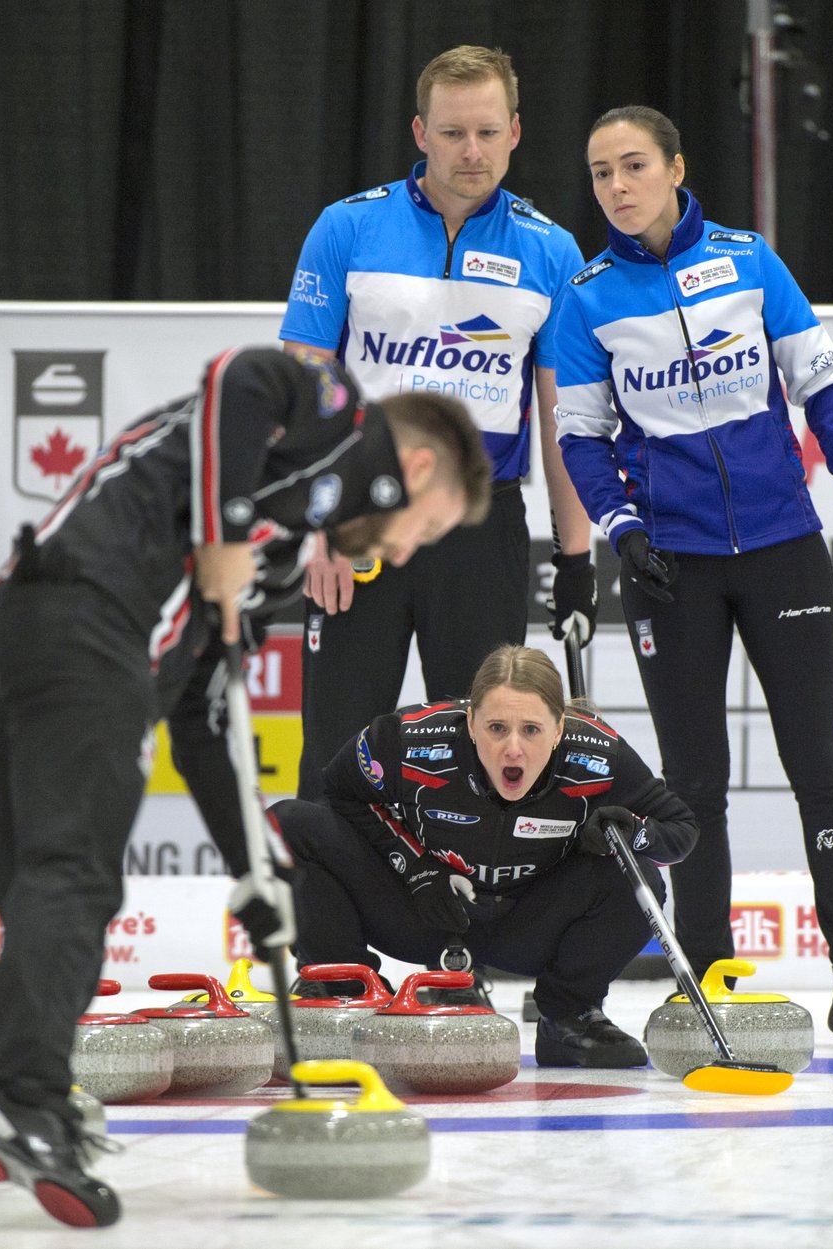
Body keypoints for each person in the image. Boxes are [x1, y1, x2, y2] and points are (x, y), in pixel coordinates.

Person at [0, 347, 492, 1228]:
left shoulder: (274, 567)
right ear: (417, 469)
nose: (403, 551)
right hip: (83, 626)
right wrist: (225, 535)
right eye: (422, 530)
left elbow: (205, 721)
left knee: (48, 963)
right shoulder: (336, 417)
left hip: (21, 640)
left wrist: (259, 869)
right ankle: (27, 1103)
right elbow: (239, 379)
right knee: (77, 886)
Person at [552, 106, 833, 1047]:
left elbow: (823, 386)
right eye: (600, 173)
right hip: (668, 563)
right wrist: (623, 527)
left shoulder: (750, 260)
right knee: (693, 782)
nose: (617, 186)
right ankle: (707, 980)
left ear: (676, 166)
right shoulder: (586, 296)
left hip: (781, 543)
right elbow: (581, 437)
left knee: (821, 769)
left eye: (633, 165)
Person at [280, 45, 596, 802]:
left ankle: (466, 920)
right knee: (337, 751)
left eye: (488, 132)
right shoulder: (346, 227)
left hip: (481, 528)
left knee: (486, 751)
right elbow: (302, 383)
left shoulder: (552, 251)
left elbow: (566, 419)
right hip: (363, 518)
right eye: (453, 133)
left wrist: (578, 559)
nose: (472, 151)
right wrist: (318, 525)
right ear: (420, 133)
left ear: (516, 132)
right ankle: (326, 923)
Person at [269, 643, 698, 1067]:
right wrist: (416, 868)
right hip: (424, 912)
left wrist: (635, 833)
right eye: (496, 728)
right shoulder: (408, 738)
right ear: (470, 722)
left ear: (559, 729)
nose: (513, 748)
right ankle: (348, 990)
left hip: (528, 925)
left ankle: (570, 1017)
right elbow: (338, 794)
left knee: (636, 873)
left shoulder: (599, 756)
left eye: (531, 729)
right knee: (287, 824)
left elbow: (682, 829)